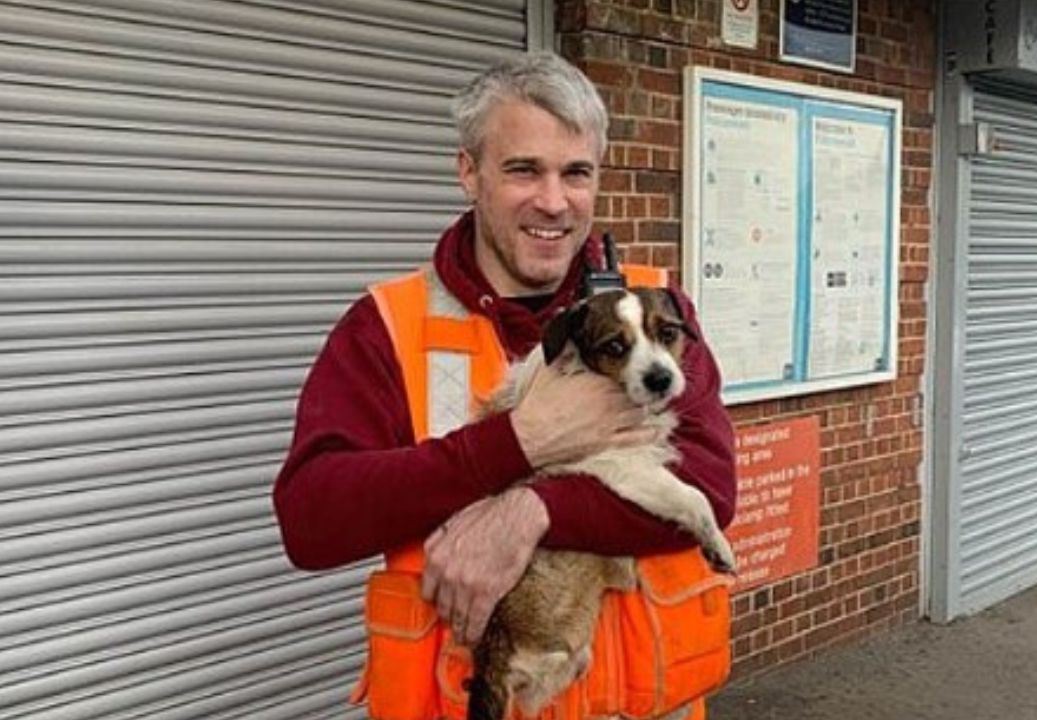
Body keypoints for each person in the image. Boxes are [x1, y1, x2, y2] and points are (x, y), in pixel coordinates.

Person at [273, 51, 736, 720]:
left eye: (576, 172)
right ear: (469, 171)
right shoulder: (387, 325)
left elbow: (711, 486)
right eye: (524, 169)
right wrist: (515, 443)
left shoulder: (659, 313)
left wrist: (533, 509)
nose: (554, 201)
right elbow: (312, 520)